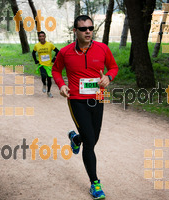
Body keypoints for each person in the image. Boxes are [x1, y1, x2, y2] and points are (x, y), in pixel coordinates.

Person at [52, 15, 118, 199]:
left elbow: (113, 67)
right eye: (83, 29)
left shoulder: (103, 49)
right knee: (90, 143)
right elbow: (56, 70)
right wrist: (61, 84)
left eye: (90, 28)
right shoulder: (65, 52)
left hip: (98, 98)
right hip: (76, 100)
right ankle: (95, 183)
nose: (88, 31)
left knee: (93, 138)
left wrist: (109, 77)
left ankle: (76, 139)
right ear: (75, 31)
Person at [32, 31, 59, 98]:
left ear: (45, 37)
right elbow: (33, 53)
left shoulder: (50, 44)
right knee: (43, 76)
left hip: (49, 65)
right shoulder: (37, 45)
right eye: (40, 36)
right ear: (38, 37)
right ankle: (44, 84)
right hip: (42, 64)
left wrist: (54, 59)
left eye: (43, 36)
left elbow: (57, 51)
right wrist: (35, 60)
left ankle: (49, 92)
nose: (42, 37)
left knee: (49, 79)